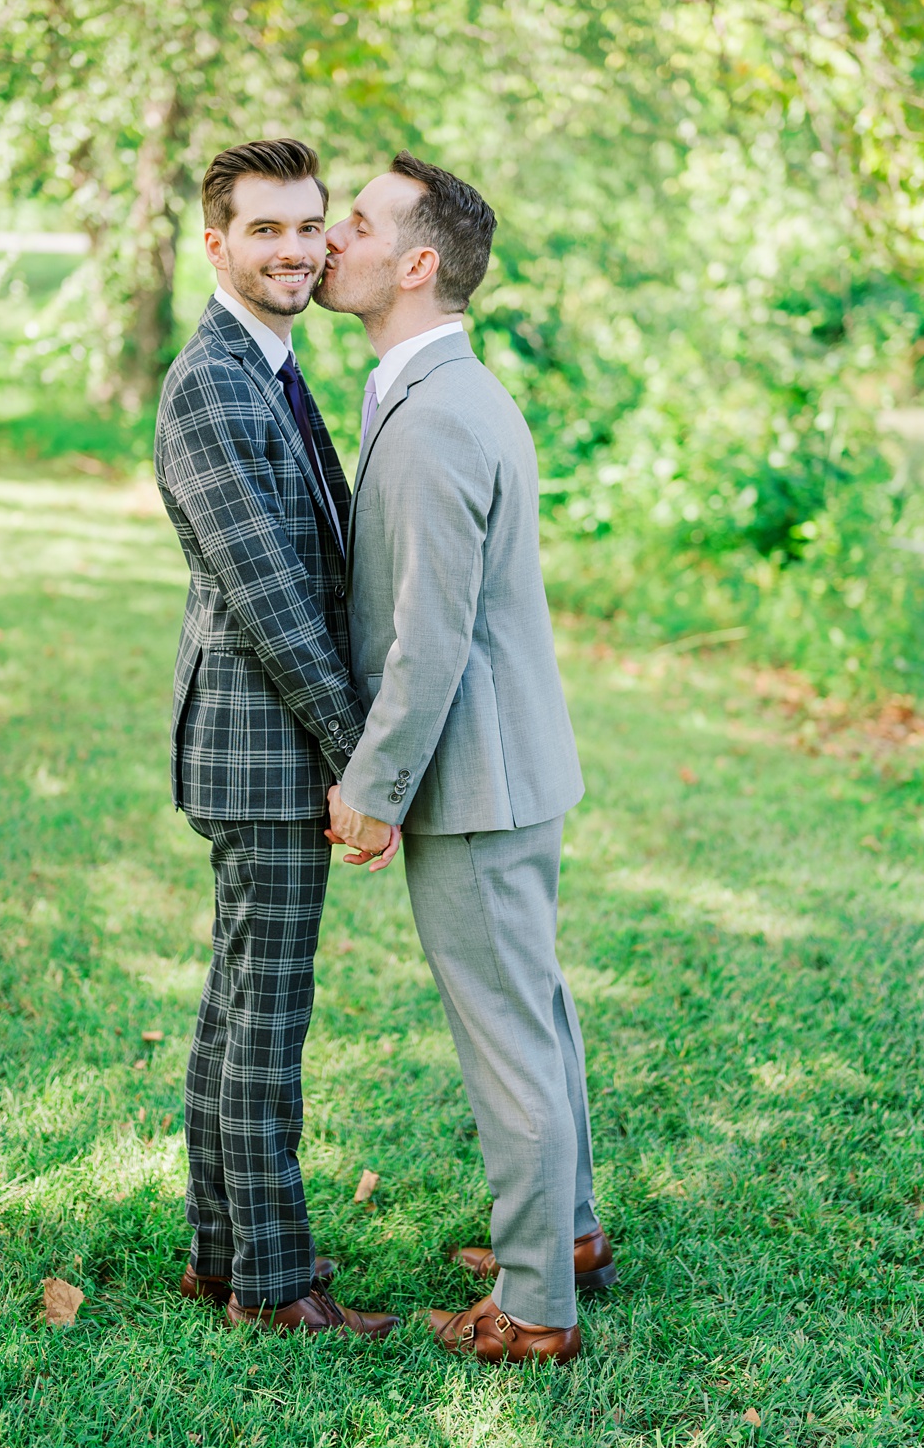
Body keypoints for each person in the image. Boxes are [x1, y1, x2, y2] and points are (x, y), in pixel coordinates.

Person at [316, 153, 612, 1365]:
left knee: (506, 1033)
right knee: (532, 1011)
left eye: (360, 221)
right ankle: (570, 1231)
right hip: (510, 765)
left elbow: (425, 639)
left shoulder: (436, 415)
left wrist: (369, 788)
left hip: (476, 782)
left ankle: (539, 1303)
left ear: (417, 263)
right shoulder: (440, 389)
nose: (333, 236)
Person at [152, 138, 399, 1338]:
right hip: (265, 748)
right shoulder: (212, 381)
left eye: (309, 227)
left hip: (269, 742)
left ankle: (217, 1254)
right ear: (215, 244)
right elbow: (271, 600)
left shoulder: (276, 369)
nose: (297, 250)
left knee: (235, 1005)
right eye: (267, 230)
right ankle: (276, 1282)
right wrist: (362, 756)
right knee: (266, 1021)